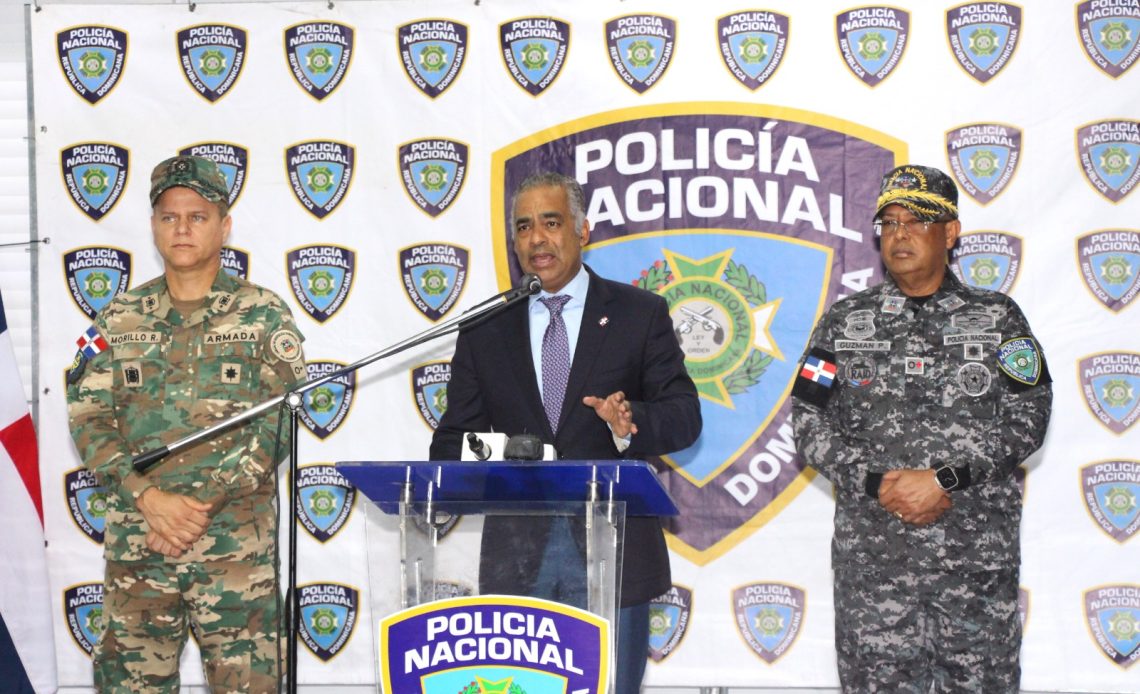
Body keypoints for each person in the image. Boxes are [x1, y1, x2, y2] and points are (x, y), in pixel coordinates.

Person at [429, 172, 701, 692]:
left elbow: (685, 416)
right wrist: (506, 453)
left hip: (613, 552)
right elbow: (449, 443)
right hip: (517, 556)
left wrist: (629, 425)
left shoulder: (638, 314)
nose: (536, 239)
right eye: (524, 227)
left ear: (583, 230)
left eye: (551, 223)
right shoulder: (486, 326)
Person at [791, 164, 1052, 693]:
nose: (900, 234)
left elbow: (1030, 418)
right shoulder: (843, 323)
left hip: (973, 567)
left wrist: (945, 479)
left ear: (950, 232)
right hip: (876, 571)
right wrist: (876, 482)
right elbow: (808, 420)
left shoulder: (999, 318)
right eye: (888, 223)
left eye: (916, 220)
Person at [66, 155, 307, 692]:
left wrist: (200, 507)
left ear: (224, 226)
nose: (181, 228)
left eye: (197, 216)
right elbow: (88, 416)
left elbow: (279, 422)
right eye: (169, 216)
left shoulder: (263, 315)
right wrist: (150, 500)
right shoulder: (117, 318)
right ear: (153, 226)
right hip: (140, 550)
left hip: (235, 555)